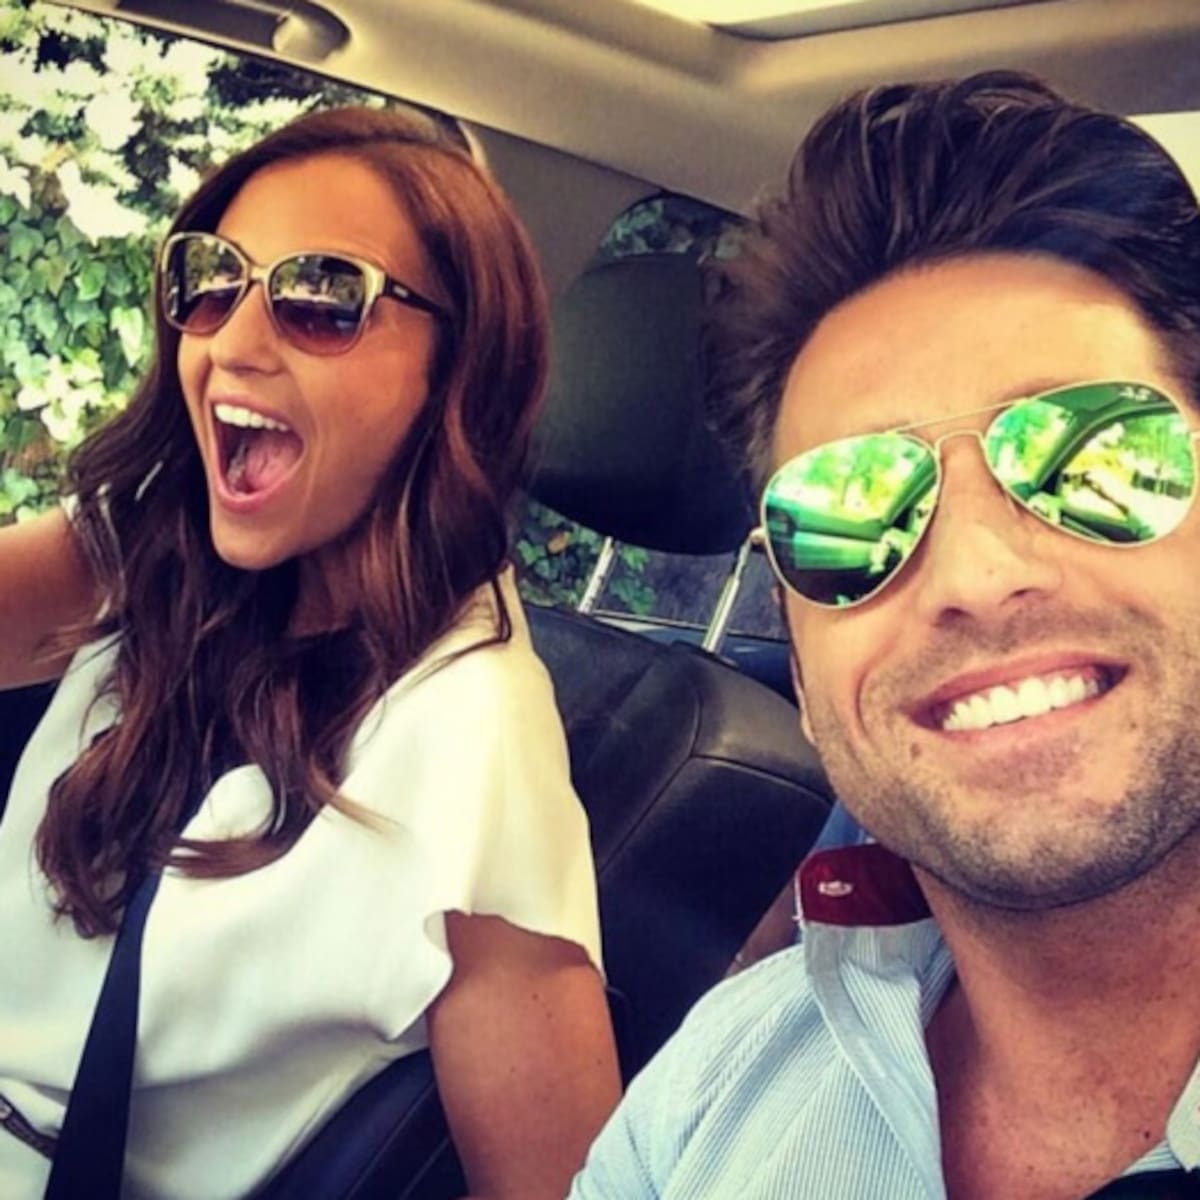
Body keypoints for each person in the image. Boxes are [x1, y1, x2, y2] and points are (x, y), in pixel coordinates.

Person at [570, 71, 1200, 1199]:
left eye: (1092, 455)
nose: (975, 577)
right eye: (847, 511)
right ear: (800, 651)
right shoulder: (707, 1093)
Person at [0, 105, 620, 1199]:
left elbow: (558, 1183)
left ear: (458, 370)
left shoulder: (473, 727)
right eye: (211, 281)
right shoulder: (154, 548)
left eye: (323, 298)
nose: (232, 343)